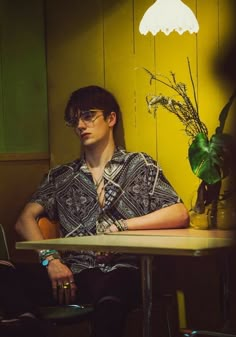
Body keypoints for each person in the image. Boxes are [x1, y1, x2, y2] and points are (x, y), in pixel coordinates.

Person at [15, 85, 189, 337]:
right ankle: (26, 325)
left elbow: (178, 212)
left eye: (88, 116)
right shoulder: (62, 176)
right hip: (74, 276)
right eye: (74, 120)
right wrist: (50, 260)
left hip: (125, 272)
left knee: (111, 299)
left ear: (111, 119)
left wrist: (121, 228)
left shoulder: (138, 164)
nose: (80, 126)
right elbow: (24, 220)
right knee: (5, 272)